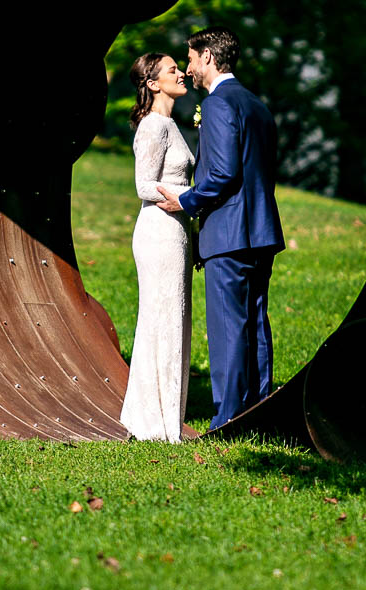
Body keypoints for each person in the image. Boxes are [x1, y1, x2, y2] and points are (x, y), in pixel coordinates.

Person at [157, 27, 284, 430]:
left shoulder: (217, 105)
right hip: (260, 231)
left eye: (192, 58)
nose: (189, 68)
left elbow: (223, 172)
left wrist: (186, 201)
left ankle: (228, 416)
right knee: (255, 321)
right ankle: (258, 409)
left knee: (229, 326)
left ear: (209, 57)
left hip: (228, 232)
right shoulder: (257, 106)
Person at [119, 52, 195, 442]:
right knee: (161, 321)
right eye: (171, 70)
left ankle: (168, 417)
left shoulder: (171, 123)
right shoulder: (152, 126)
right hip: (159, 231)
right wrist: (197, 195)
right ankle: (152, 423)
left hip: (177, 231)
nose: (181, 73)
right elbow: (144, 186)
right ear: (152, 83)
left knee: (176, 322)